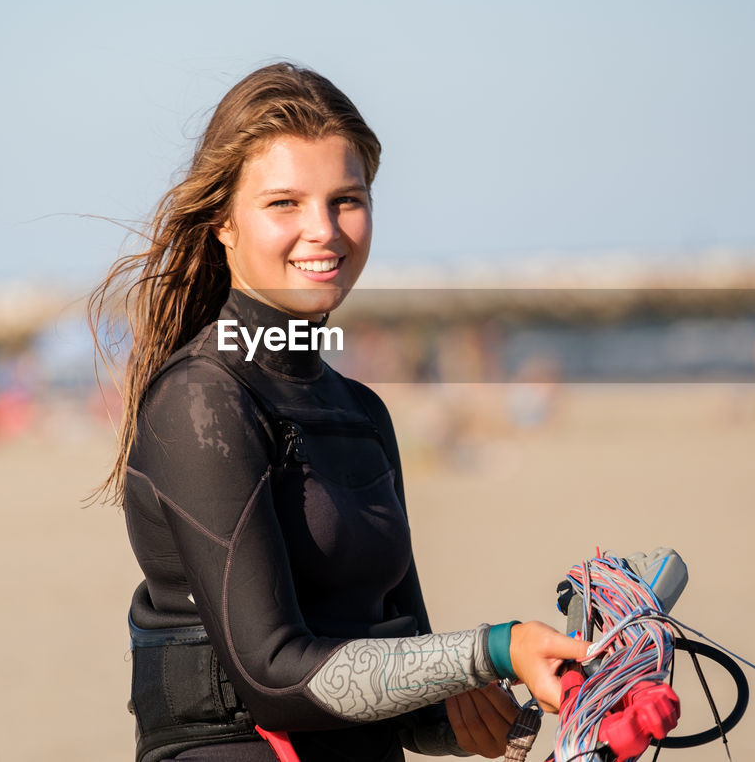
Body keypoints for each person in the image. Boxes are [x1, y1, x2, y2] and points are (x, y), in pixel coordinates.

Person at [89, 63, 599, 761]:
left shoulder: (361, 412)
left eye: (346, 199)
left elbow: (402, 680)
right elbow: (272, 676)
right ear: (223, 222)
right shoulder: (200, 398)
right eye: (285, 204)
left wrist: (538, 687)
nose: (323, 230)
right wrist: (494, 647)